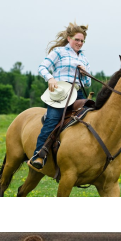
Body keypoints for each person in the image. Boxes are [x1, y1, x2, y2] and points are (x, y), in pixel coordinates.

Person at [28, 22, 91, 170]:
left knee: (91, 117)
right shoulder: (59, 52)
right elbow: (42, 67)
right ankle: (38, 155)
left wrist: (85, 73)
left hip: (78, 93)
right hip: (61, 92)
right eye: (77, 39)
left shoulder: (84, 59)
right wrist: (50, 78)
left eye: (82, 41)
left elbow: (87, 83)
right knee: (52, 120)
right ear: (69, 38)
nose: (79, 43)